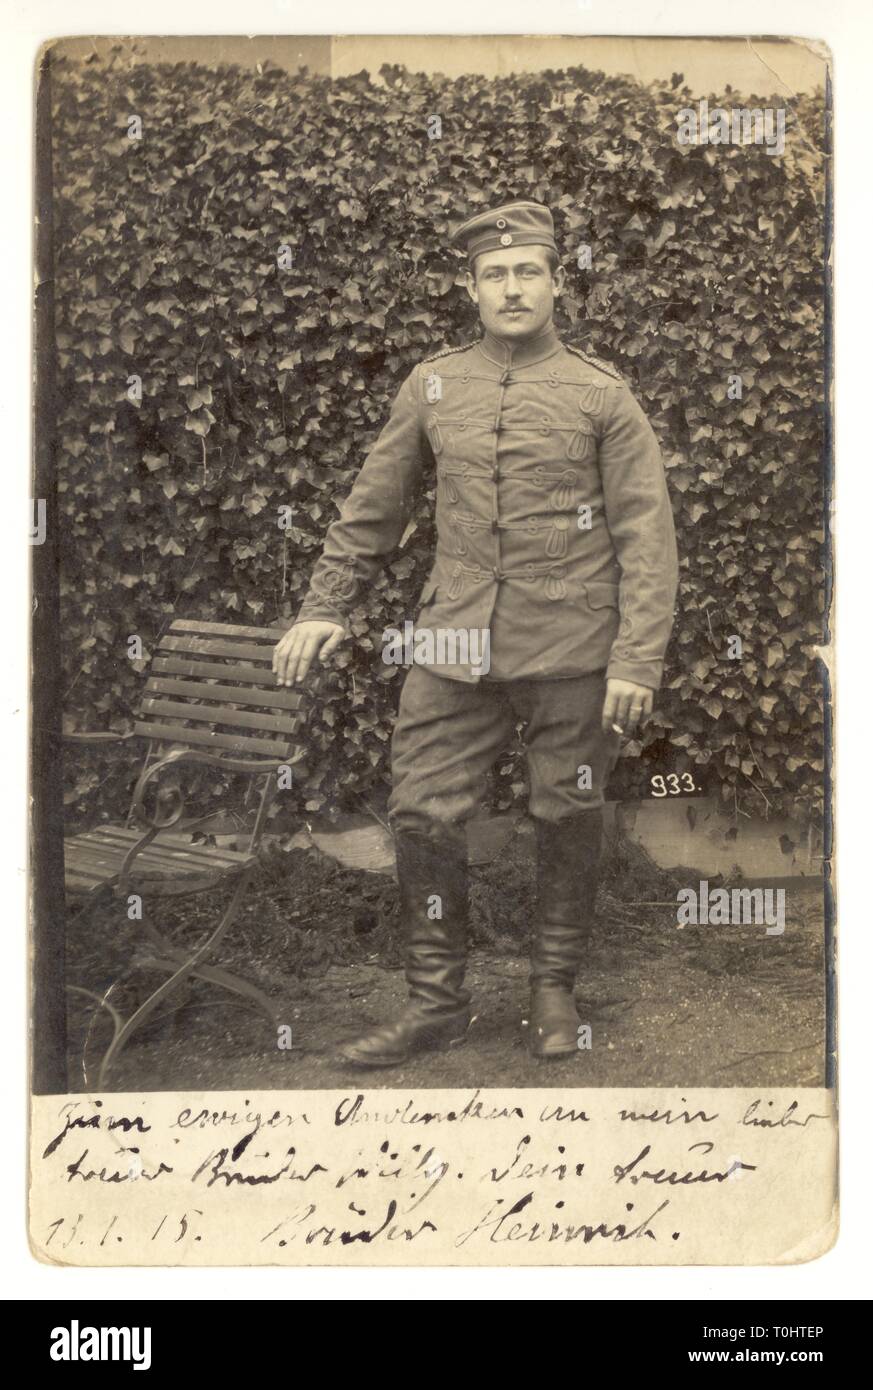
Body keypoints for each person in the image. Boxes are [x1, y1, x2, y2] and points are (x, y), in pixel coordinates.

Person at [273, 200, 678, 1066]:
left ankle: (551, 990)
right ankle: (434, 1002)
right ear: (471, 288)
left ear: (556, 283)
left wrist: (636, 659)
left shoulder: (602, 394)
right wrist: (324, 606)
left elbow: (647, 537)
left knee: (564, 810)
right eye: (494, 275)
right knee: (421, 810)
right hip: (452, 643)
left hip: (573, 645)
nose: (511, 287)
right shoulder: (431, 384)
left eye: (527, 271)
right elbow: (372, 510)